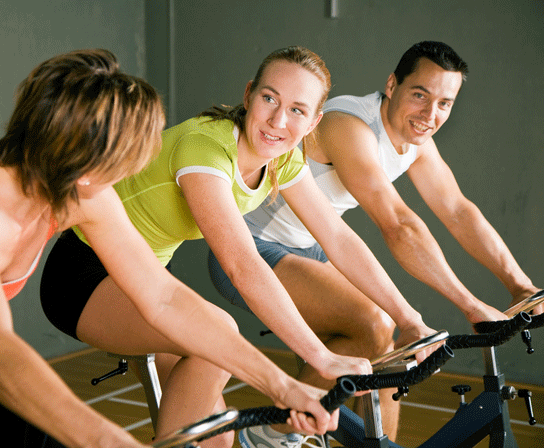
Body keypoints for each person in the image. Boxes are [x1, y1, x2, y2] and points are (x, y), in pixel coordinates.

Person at [0, 49, 331, 448]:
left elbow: (162, 296)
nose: (127, 175)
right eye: (121, 162)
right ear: (83, 158)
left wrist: (282, 385)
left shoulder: (84, 195)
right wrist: (109, 439)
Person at [38, 46, 414, 448]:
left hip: (147, 279)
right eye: (269, 98)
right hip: (85, 274)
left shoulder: (283, 157)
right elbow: (242, 265)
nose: (277, 120)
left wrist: (409, 319)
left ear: (313, 121)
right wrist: (320, 359)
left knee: (217, 442)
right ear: (249, 94)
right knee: (217, 336)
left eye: (297, 110)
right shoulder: (205, 148)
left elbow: (338, 237)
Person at [209, 41, 542, 444]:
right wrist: (470, 305)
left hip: (311, 250)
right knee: (373, 325)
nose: (430, 114)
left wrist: (519, 285)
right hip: (251, 247)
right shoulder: (348, 125)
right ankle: (270, 437)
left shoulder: (416, 143)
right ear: (391, 84)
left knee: (392, 352)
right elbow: (398, 223)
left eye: (444, 103)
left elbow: (458, 210)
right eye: (420, 95)